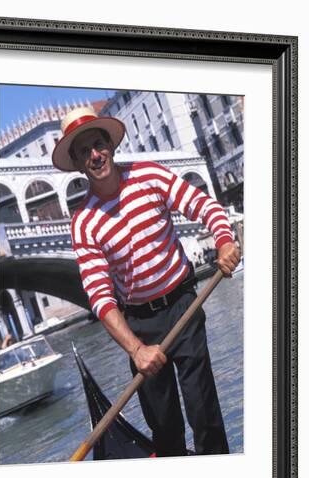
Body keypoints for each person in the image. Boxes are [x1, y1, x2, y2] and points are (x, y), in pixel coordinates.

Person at [52, 106, 240, 457]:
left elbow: (204, 206)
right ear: (78, 163)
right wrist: (136, 349)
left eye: (98, 144)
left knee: (205, 415)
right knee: (165, 426)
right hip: (139, 324)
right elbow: (100, 296)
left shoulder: (149, 175)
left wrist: (224, 239)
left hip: (184, 305)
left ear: (109, 144)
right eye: (84, 152)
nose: (95, 155)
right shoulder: (84, 222)